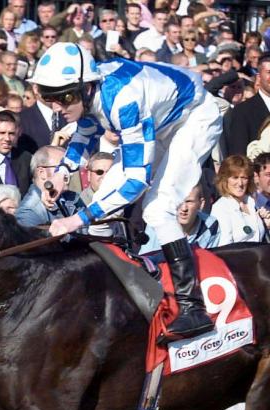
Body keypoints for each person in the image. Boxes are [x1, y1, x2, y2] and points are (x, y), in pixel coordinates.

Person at [31, 41, 223, 342]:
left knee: (157, 208)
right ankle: (110, 283)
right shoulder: (90, 92)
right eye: (48, 97)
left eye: (64, 97)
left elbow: (136, 183)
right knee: (105, 192)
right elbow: (85, 131)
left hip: (195, 118)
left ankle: (192, 306)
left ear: (86, 89)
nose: (57, 107)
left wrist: (76, 220)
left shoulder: (123, 101)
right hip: (161, 119)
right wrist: (62, 173)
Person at [15, 145, 86, 227]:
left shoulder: (74, 198)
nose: (68, 173)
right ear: (42, 173)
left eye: (68, 169)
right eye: (60, 168)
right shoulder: (29, 212)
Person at [210, 155, 268, 246]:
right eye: (235, 178)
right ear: (225, 179)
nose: (240, 183)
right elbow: (224, 248)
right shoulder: (220, 208)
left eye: (244, 178)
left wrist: (266, 224)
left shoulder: (253, 202)